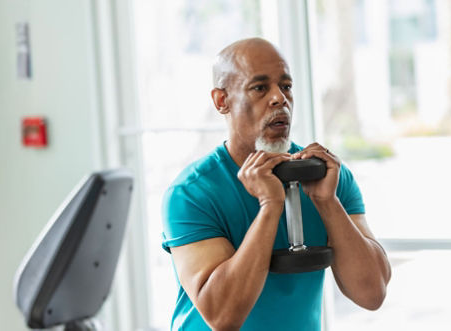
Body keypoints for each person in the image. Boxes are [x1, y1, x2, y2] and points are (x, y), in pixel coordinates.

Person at [161, 38, 391, 330]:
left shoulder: (328, 176)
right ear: (222, 101)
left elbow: (371, 293)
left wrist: (327, 203)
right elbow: (222, 316)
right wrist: (270, 206)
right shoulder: (191, 193)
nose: (279, 98)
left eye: (286, 86)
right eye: (259, 88)